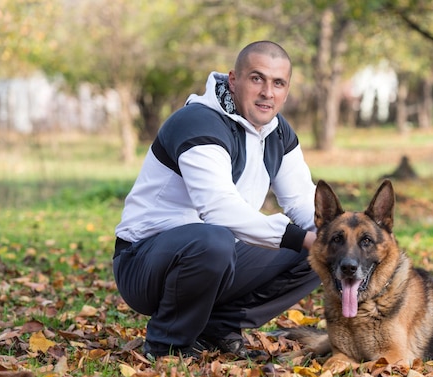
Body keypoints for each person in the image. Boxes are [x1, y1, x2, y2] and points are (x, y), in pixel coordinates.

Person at [112, 41, 320, 360]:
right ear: (233, 81)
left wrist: (336, 236)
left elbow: (304, 202)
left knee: (325, 252)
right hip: (144, 261)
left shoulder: (279, 134)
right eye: (257, 78)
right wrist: (301, 237)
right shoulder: (198, 122)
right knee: (214, 239)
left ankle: (217, 326)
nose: (267, 92)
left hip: (219, 256)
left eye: (278, 83)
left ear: (287, 91)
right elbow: (218, 209)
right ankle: (168, 342)